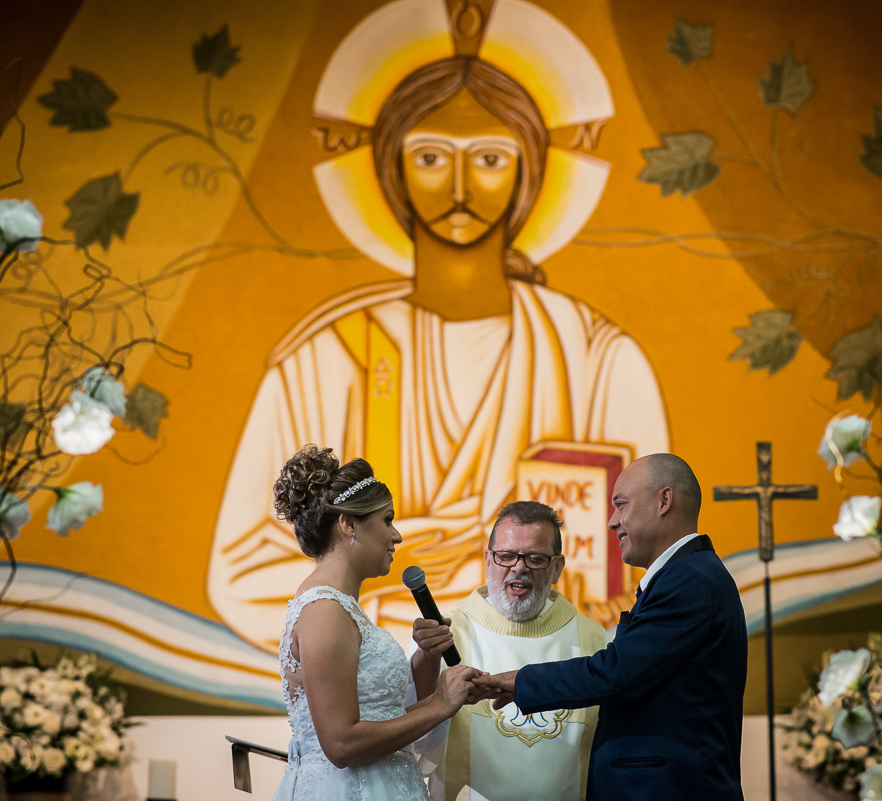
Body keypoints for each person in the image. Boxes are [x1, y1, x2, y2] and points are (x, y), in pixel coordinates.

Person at [208, 54, 669, 650]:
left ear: (527, 171)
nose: (459, 187)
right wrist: (382, 577)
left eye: (489, 159)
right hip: (409, 666)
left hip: (549, 662)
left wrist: (557, 579)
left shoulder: (597, 357)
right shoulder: (325, 359)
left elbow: (644, 540)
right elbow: (237, 575)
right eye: (430, 157)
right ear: (392, 170)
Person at [473, 455, 748, 801]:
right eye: (507, 556)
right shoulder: (689, 575)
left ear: (664, 501)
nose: (612, 522)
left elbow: (617, 672)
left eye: (621, 505)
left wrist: (518, 682)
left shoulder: (688, 580)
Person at [271, 444, 486, 800]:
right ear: (348, 523)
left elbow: (383, 715)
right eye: (387, 520)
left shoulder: (342, 607)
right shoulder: (325, 610)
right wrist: (438, 704)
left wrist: (428, 660)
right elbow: (340, 743)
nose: (397, 535)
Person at [410, 501, 609, 801]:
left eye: (535, 558)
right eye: (506, 556)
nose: (519, 568)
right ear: (488, 560)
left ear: (557, 567)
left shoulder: (592, 638)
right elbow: (415, 740)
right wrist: (425, 660)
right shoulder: (447, 634)